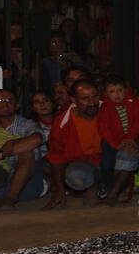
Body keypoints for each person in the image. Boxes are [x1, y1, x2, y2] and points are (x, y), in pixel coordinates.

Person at [44, 80, 106, 209]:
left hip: (108, 161)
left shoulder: (109, 111)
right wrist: (60, 191)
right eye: (85, 99)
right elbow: (56, 156)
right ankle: (93, 186)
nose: (92, 103)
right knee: (76, 175)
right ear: (73, 99)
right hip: (82, 164)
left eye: (94, 97)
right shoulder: (63, 122)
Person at [96, 75, 139, 205]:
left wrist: (131, 139)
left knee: (136, 156)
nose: (117, 94)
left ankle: (115, 191)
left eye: (120, 90)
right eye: (112, 91)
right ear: (106, 94)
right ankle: (107, 186)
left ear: (126, 90)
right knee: (107, 164)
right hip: (112, 141)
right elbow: (104, 129)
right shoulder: (105, 107)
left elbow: (138, 122)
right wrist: (116, 144)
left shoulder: (133, 102)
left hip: (131, 139)